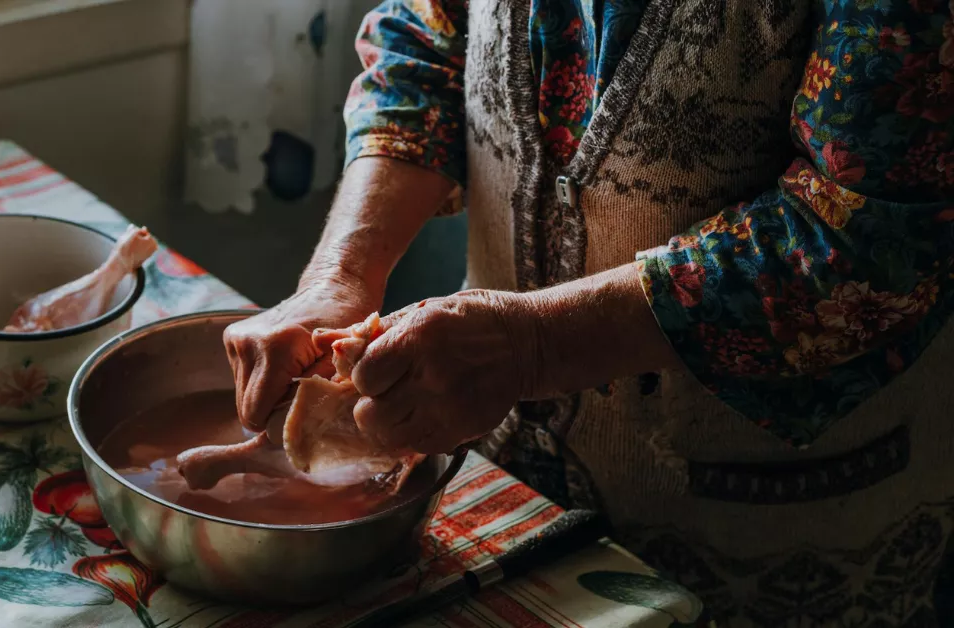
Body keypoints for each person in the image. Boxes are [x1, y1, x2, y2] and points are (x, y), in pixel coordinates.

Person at [224, 1, 954, 625]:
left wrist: (532, 346)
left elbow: (870, 236)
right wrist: (339, 277)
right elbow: (424, 45)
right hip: (510, 476)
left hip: (774, 527)